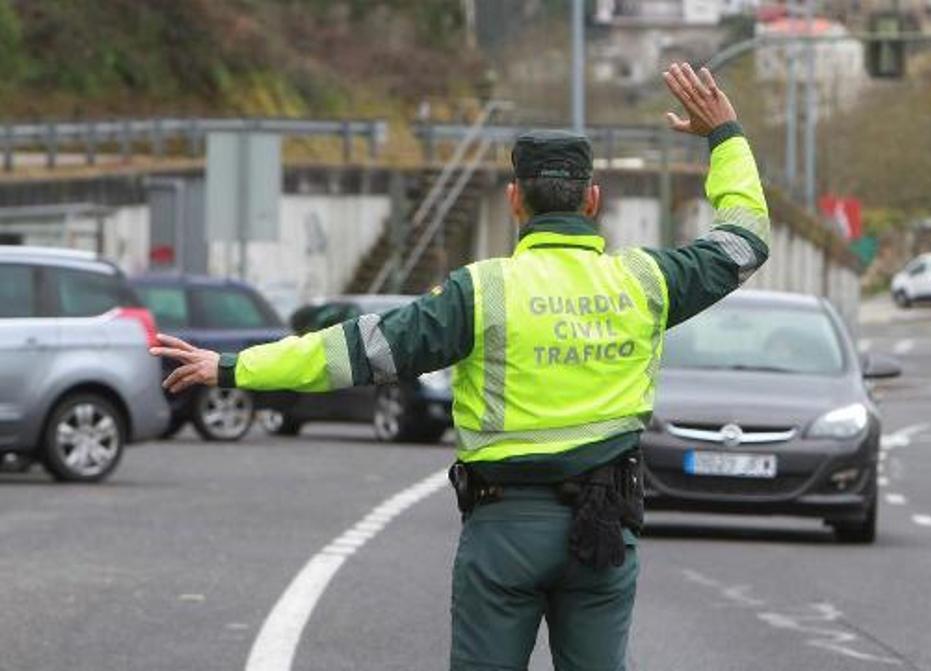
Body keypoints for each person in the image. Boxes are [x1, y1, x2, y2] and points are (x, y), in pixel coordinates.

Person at [151, 62, 770, 671]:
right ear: (593, 200)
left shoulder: (482, 291)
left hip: (504, 530)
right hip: (604, 528)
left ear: (514, 200)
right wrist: (726, 137)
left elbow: (360, 351)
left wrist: (233, 367)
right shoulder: (646, 282)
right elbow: (744, 240)